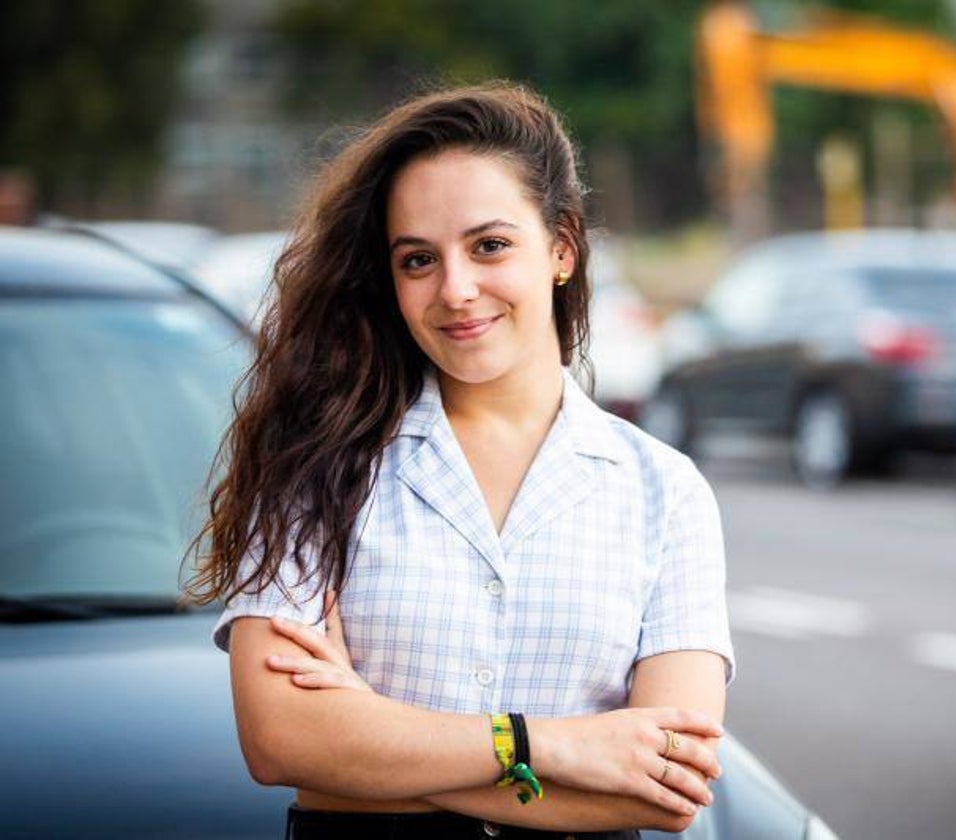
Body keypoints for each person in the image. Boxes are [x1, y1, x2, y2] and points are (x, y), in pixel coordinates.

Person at [188, 81, 734, 840]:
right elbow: (283, 741)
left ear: (562, 249)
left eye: (490, 245)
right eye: (418, 260)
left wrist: (371, 746)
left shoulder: (665, 493)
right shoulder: (315, 467)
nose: (456, 290)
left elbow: (666, 789)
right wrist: (553, 745)